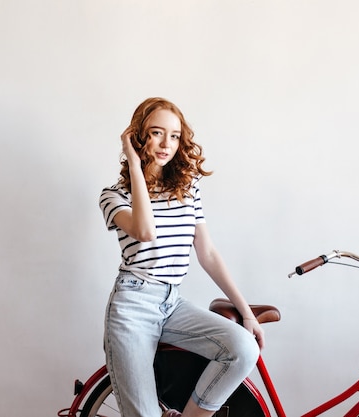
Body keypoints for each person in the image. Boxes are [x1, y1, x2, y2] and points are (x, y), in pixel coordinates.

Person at [99, 97, 265, 417]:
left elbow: (208, 253)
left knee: (244, 349)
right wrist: (136, 166)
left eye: (174, 136)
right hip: (132, 308)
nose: (166, 144)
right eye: (157, 133)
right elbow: (145, 231)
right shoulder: (114, 196)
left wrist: (246, 314)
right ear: (138, 137)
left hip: (172, 302)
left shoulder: (187, 188)